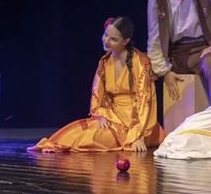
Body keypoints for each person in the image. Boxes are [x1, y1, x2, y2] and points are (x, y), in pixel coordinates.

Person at [28, 16, 165, 153]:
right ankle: (55, 146)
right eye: (106, 35)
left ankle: (61, 148)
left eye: (113, 39)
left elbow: (147, 102)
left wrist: (138, 136)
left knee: (92, 137)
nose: (106, 41)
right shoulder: (105, 62)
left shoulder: (141, 63)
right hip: (112, 116)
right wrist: (101, 115)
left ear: (126, 41)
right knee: (77, 131)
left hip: (137, 123)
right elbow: (97, 95)